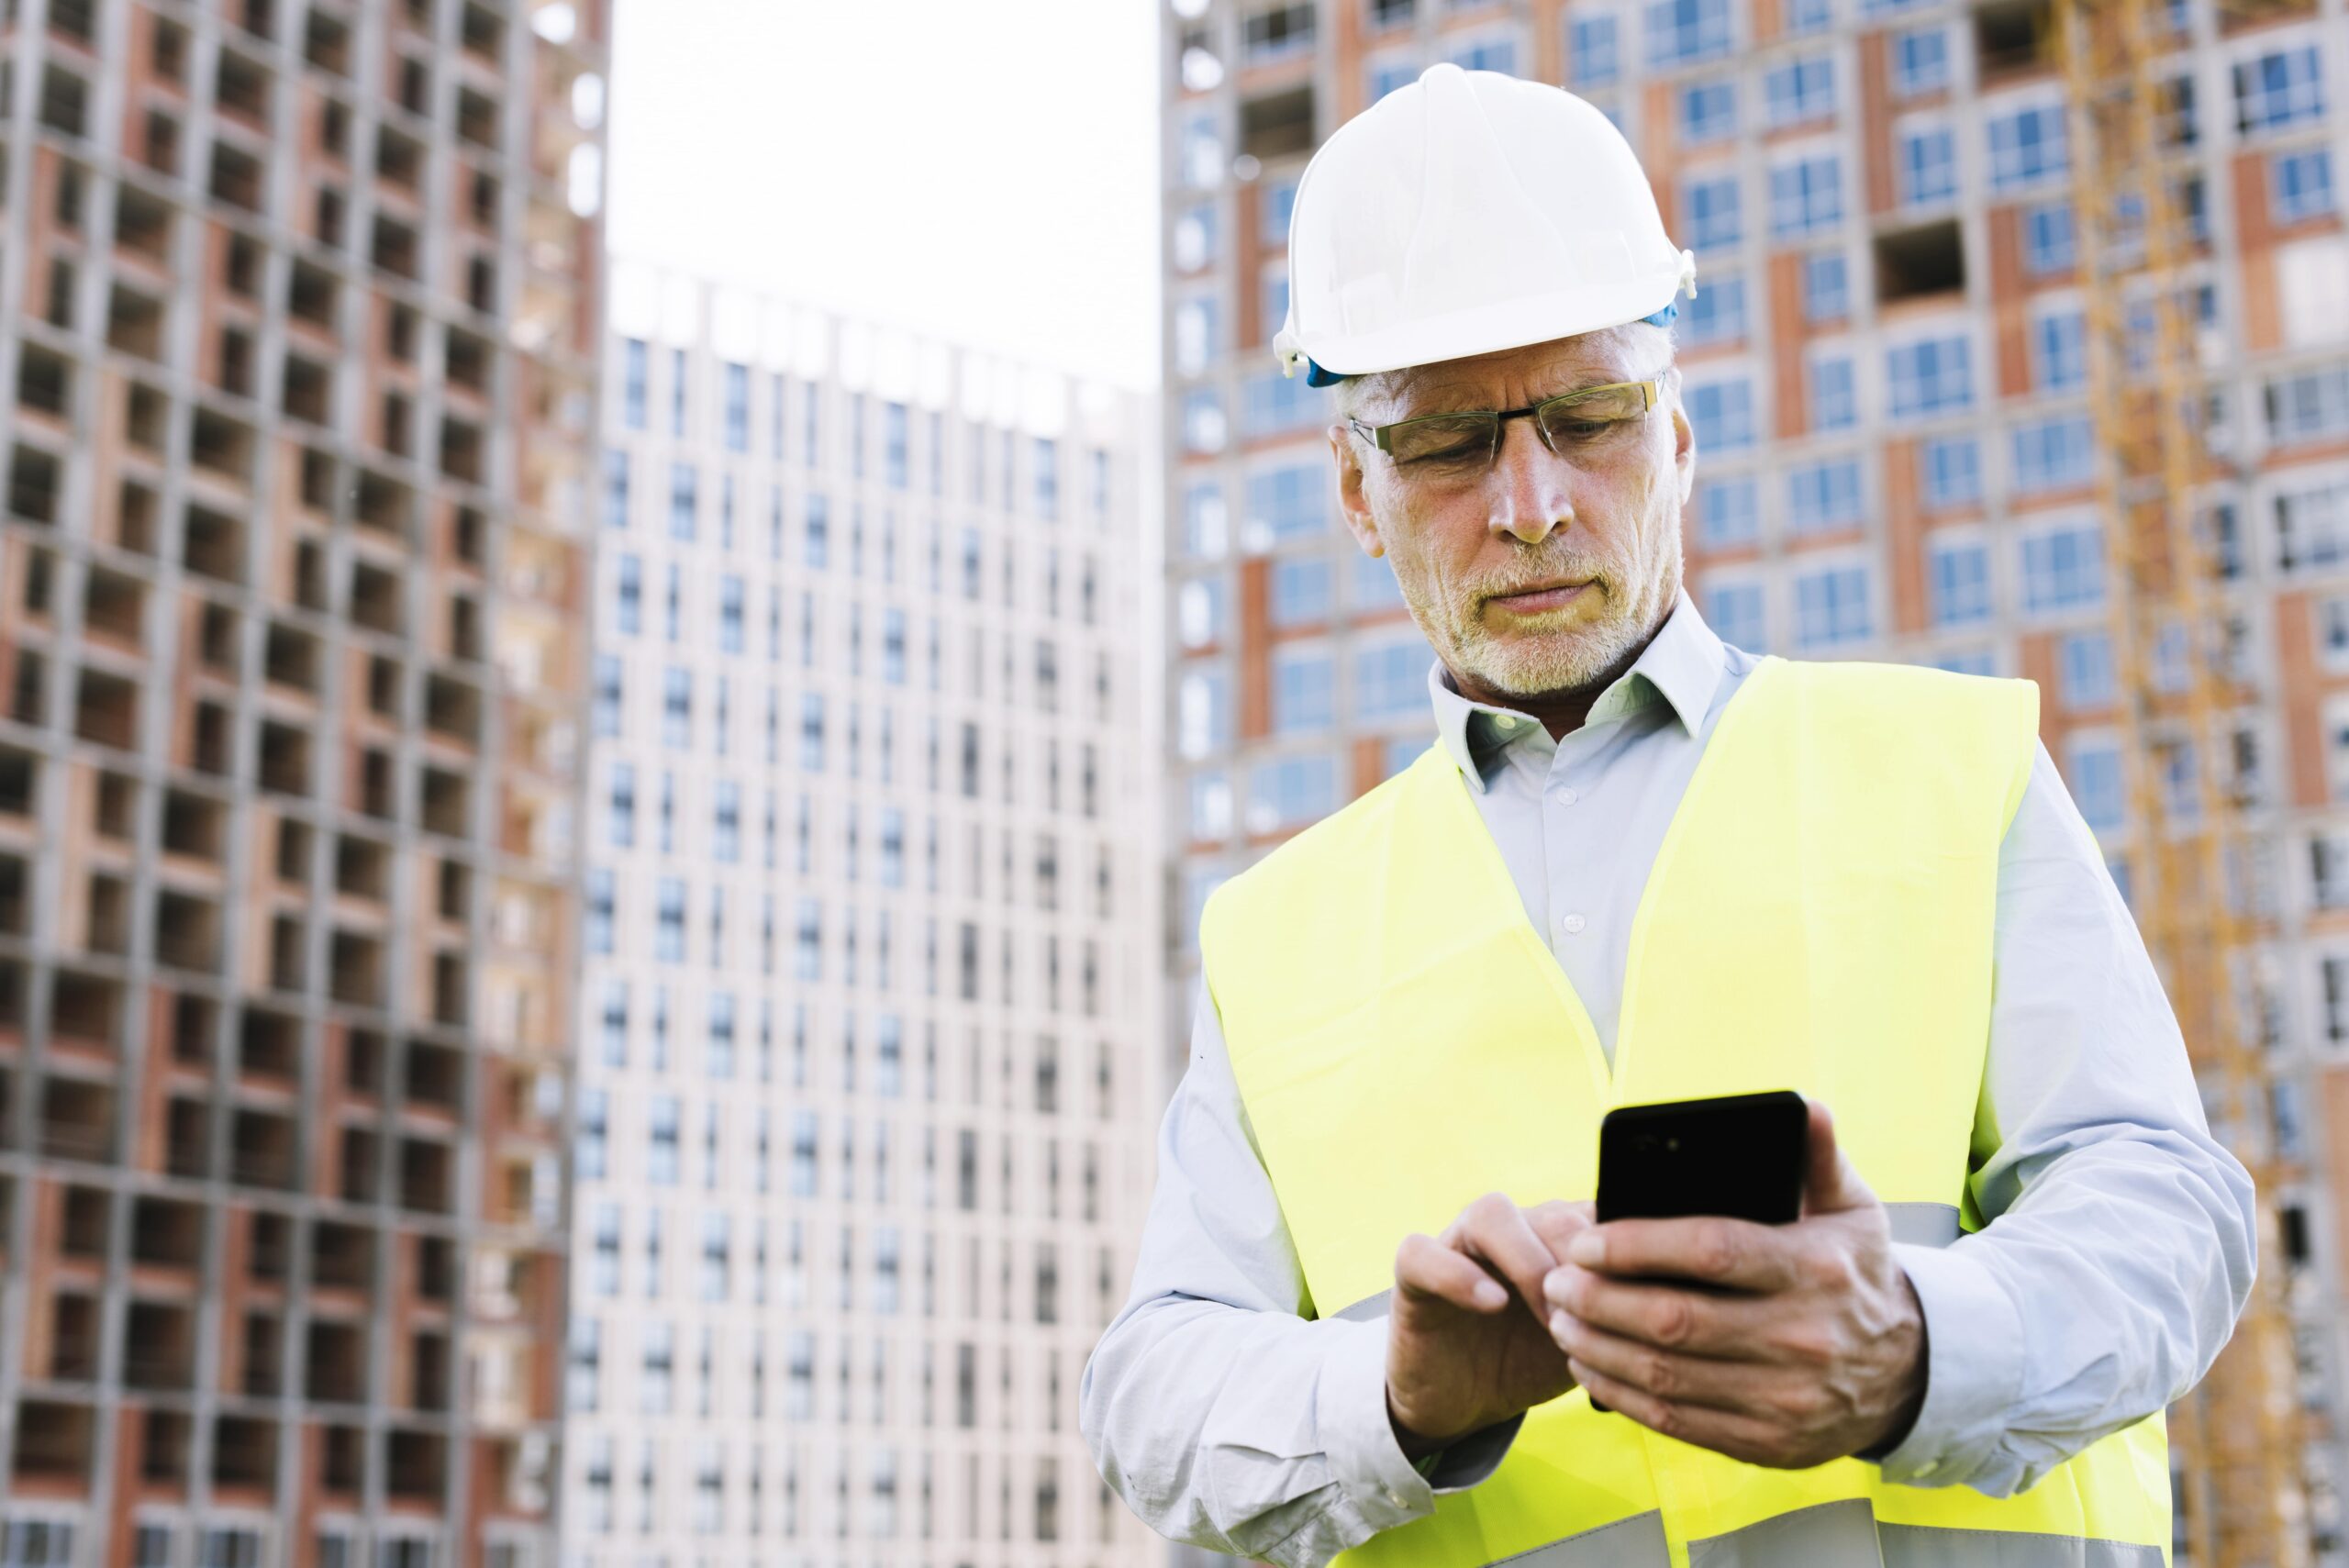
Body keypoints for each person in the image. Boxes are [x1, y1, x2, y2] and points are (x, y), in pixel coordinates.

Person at [1080, 62, 2255, 1568]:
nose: (1532, 504)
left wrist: (1910, 1344)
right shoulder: (1273, 941)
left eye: (1588, 416)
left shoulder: (1951, 768)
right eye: (1447, 445)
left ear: (1678, 435)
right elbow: (1155, 1391)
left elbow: (2168, 1212)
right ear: (1356, 495)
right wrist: (1395, 1399)